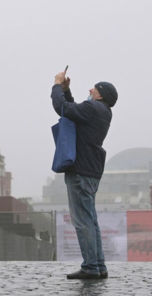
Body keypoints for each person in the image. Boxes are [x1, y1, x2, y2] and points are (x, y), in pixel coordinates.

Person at [51, 71, 117, 280]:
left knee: (83, 222)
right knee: (91, 221)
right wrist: (67, 90)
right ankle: (98, 265)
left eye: (94, 88)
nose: (90, 89)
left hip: (80, 171)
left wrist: (56, 86)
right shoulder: (101, 110)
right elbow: (73, 112)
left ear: (100, 95)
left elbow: (62, 108)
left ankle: (90, 267)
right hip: (91, 171)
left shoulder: (93, 108)